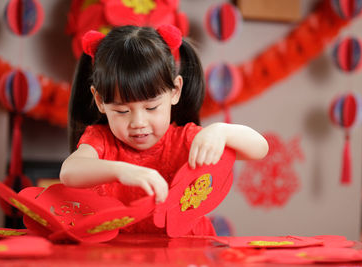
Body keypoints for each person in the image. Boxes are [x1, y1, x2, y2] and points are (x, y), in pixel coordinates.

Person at [59, 24, 268, 235]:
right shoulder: (102, 141)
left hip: (185, 251)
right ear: (100, 100)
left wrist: (222, 131)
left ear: (175, 91)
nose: (138, 122)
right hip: (121, 254)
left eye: (151, 107)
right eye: (122, 111)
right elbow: (69, 172)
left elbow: (260, 149)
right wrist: (122, 171)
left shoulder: (184, 140)